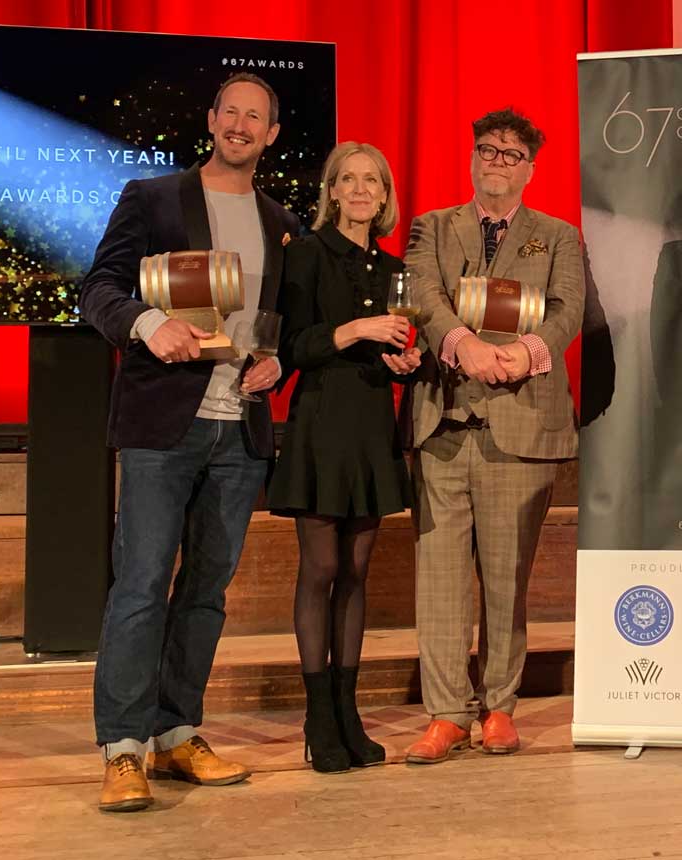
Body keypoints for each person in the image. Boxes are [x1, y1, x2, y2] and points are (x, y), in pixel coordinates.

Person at [80, 72, 300, 812]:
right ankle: (123, 747)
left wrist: (278, 361)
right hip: (161, 427)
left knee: (205, 594)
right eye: (229, 111)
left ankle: (177, 734)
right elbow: (100, 289)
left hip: (241, 429)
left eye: (255, 117)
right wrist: (150, 324)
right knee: (140, 588)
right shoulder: (153, 198)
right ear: (211, 120)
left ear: (272, 135)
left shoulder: (281, 220)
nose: (240, 125)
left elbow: (279, 330)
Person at [400, 108, 582, 763]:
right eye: (487, 150)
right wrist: (461, 343)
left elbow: (568, 309)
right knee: (441, 579)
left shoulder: (557, 236)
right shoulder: (432, 227)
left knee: (507, 579)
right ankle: (447, 713)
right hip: (445, 424)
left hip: (521, 425)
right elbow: (422, 292)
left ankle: (499, 708)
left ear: (530, 167)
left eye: (510, 154)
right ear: (473, 158)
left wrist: (524, 352)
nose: (496, 161)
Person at [267, 142, 414, 773]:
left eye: (371, 181)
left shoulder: (394, 269)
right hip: (320, 421)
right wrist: (353, 331)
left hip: (371, 422)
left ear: (384, 196)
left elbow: (407, 345)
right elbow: (288, 346)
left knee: (356, 574)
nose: (359, 190)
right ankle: (317, 713)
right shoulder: (303, 255)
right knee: (321, 569)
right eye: (347, 179)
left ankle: (349, 711)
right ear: (331, 191)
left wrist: (411, 361)